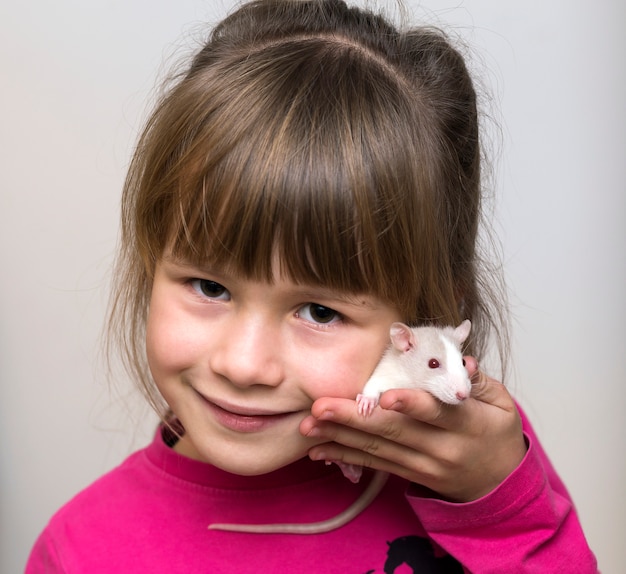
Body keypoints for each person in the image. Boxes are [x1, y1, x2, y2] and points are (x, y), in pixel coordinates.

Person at [26, 0, 598, 572]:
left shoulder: (487, 468)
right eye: (209, 286)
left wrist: (501, 508)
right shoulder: (81, 548)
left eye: (320, 312)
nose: (244, 365)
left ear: (429, 316)